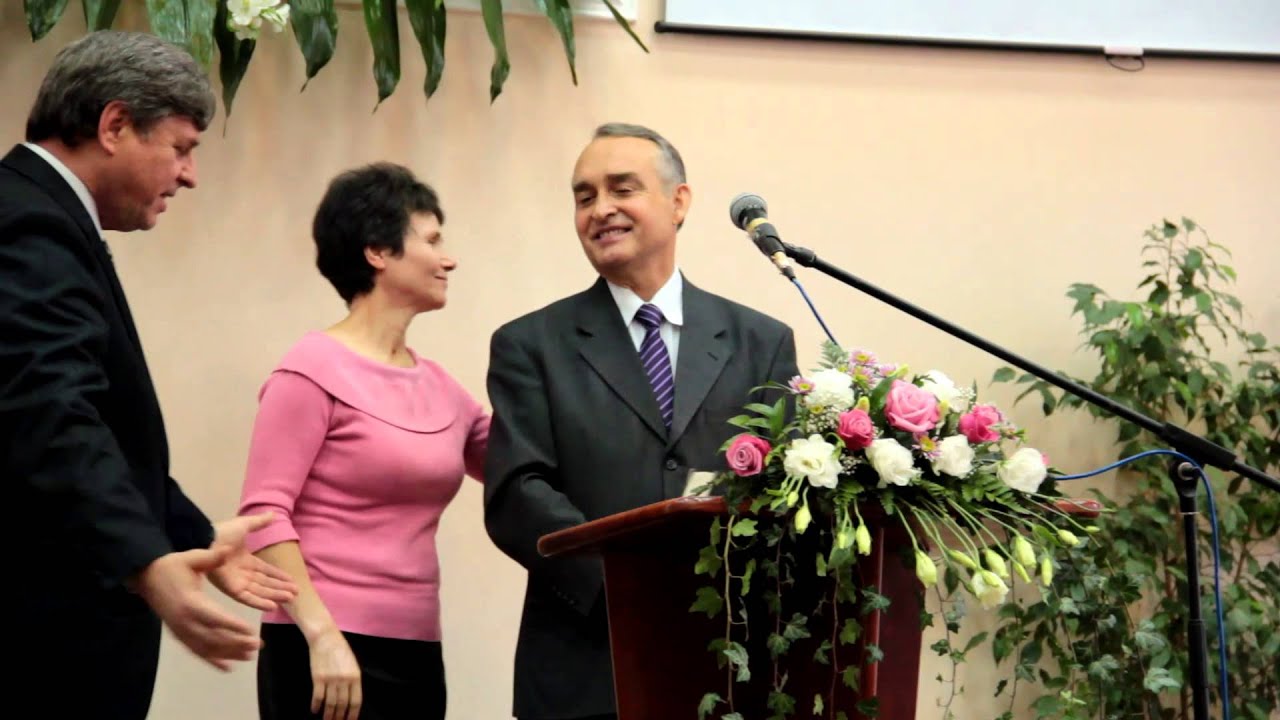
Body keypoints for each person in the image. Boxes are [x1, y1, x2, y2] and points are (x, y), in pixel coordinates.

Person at [1, 30, 298, 720]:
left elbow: (107, 434)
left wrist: (194, 537)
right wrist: (144, 559)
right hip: (42, 647)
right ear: (114, 125)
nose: (189, 175)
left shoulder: (39, 213)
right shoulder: (29, 224)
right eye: (181, 147)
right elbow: (49, 413)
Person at [483, 123, 800, 720]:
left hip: (730, 664)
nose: (600, 209)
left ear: (678, 202)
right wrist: (626, 586)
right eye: (584, 197)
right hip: (587, 667)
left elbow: (785, 492)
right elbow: (517, 492)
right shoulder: (531, 344)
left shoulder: (760, 342)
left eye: (622, 189)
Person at [238, 162, 490, 720]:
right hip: (323, 649)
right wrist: (322, 636)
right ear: (377, 251)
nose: (448, 259)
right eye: (431, 241)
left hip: (417, 647)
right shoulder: (310, 369)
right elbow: (263, 515)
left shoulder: (442, 389)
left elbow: (520, 460)